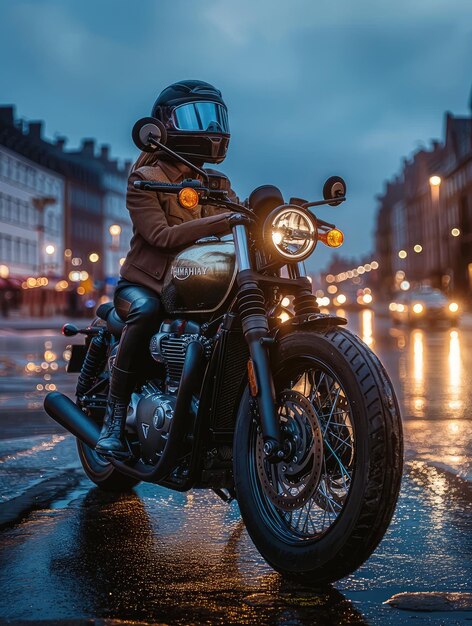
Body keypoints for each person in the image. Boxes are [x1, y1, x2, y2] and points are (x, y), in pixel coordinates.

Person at [95, 80, 240, 459]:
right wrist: (222, 221)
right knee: (145, 312)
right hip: (146, 285)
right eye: (196, 117)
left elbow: (242, 224)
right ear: (162, 126)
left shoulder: (217, 184)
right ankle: (112, 420)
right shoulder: (146, 180)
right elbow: (160, 236)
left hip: (197, 283)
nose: (209, 130)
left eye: (214, 119)